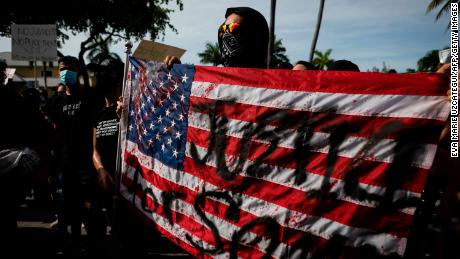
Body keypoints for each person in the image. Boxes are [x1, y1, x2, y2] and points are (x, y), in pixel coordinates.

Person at [45, 55, 101, 254]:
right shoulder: (56, 101)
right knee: (66, 209)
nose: (64, 72)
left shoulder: (89, 97)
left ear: (77, 72)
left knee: (88, 209)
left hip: (86, 164)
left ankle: (92, 246)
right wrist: (52, 166)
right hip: (65, 164)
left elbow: (96, 128)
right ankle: (72, 244)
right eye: (61, 69)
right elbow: (53, 134)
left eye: (69, 68)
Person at [165, 7, 269, 69]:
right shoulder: (214, 81)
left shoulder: (277, 85)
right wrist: (177, 72)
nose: (226, 34)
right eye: (223, 29)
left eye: (234, 27)